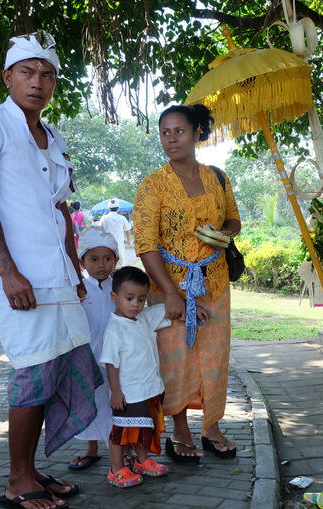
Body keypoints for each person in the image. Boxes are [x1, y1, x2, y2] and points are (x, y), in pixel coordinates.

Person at [0, 31, 101, 509]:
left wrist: (76, 268)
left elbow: (60, 211)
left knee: (57, 368)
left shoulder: (54, 138)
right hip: (19, 277)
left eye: (47, 74)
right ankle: (16, 481)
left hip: (58, 275)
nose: (37, 82)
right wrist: (8, 271)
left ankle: (32, 469)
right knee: (31, 371)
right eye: (27, 72)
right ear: (8, 76)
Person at [134, 104, 241, 462]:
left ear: (197, 133)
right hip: (171, 288)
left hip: (216, 282)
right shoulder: (152, 186)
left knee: (214, 358)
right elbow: (146, 245)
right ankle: (179, 431)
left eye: (179, 131)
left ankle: (211, 427)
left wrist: (221, 236)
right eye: (165, 133)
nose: (171, 139)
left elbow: (234, 223)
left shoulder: (217, 177)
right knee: (175, 360)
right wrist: (169, 293)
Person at [99, 266, 171, 487]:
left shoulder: (144, 319)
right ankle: (117, 469)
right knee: (121, 433)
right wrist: (116, 391)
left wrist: (193, 308)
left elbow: (171, 309)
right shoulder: (114, 329)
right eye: (129, 298)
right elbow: (111, 363)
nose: (135, 305)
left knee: (142, 429)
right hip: (128, 392)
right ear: (114, 297)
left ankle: (141, 461)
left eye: (141, 299)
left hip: (149, 389)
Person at [68, 226, 120, 471]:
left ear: (116, 260)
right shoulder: (78, 290)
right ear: (82, 262)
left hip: (117, 358)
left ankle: (122, 449)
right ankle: (92, 448)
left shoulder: (121, 288)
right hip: (88, 356)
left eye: (108, 258)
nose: (102, 265)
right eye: (94, 259)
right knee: (90, 400)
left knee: (117, 400)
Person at [100, 198, 132, 266]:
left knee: (109, 266)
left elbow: (100, 232)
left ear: (109, 208)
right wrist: (128, 241)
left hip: (107, 246)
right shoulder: (122, 218)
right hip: (119, 246)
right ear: (118, 208)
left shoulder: (104, 218)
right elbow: (127, 230)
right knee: (121, 266)